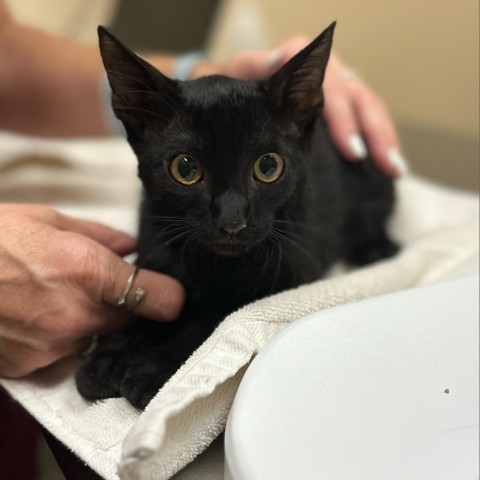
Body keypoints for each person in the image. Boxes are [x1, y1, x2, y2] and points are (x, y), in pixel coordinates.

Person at [0, 0, 408, 379]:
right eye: (186, 169)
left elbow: (9, 56)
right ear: (140, 127)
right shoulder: (160, 218)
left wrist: (205, 72)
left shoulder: (293, 241)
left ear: (301, 122)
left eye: (268, 168)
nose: (232, 221)